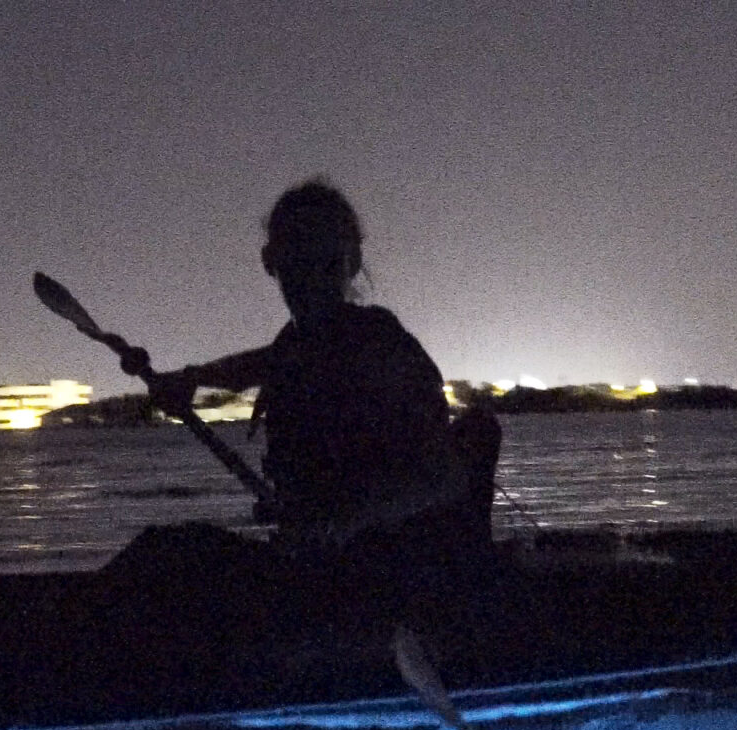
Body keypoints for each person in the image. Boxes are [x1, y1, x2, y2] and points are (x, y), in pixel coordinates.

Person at [145, 179, 497, 559]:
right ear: (270, 262)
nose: (310, 277)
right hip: (314, 561)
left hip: (383, 569)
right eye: (295, 260)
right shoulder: (294, 348)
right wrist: (193, 378)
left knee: (167, 554)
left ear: (352, 262)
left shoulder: (382, 345)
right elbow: (258, 365)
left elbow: (442, 475)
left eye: (326, 260)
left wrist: (344, 524)